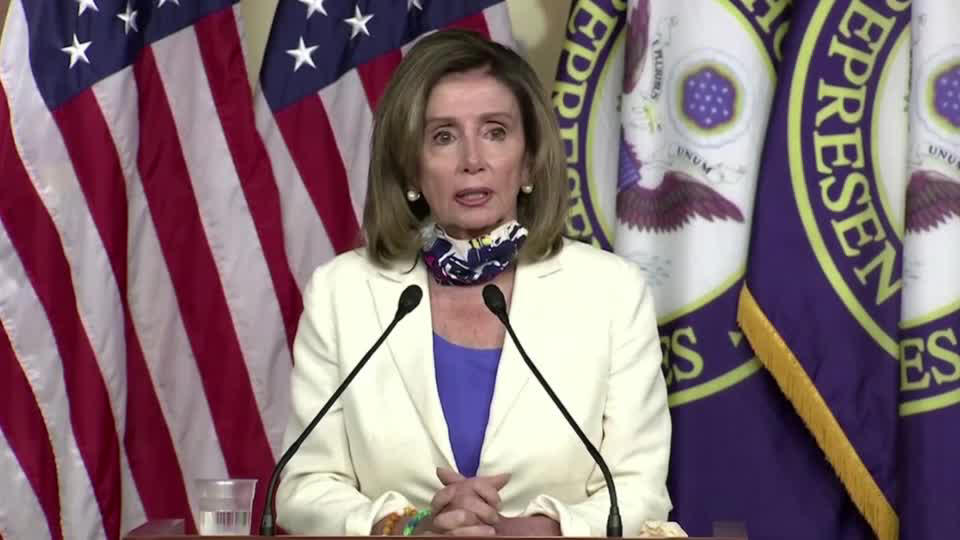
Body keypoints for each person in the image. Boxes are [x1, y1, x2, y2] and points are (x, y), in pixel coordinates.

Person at [275, 29, 672, 537]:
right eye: (443, 136)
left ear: (529, 162)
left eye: (495, 132)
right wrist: (409, 527)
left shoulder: (611, 292)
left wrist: (537, 531)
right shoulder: (342, 293)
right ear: (411, 170)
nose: (472, 160)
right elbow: (304, 487)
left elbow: (640, 489)